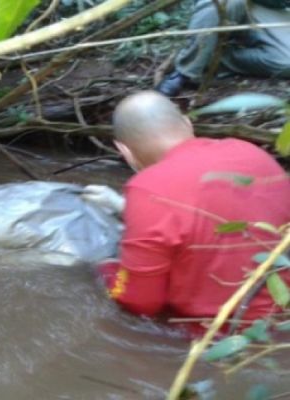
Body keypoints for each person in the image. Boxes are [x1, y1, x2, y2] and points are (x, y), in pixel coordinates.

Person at [82, 91, 290, 326]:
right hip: (281, 317)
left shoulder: (149, 188)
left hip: (218, 334)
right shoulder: (252, 152)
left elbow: (141, 303)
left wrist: (103, 270)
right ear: (188, 123)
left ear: (124, 151)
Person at [156, 0, 290, 97]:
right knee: (224, 4)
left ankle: (214, 58)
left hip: (269, 9)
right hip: (224, 3)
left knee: (286, 62)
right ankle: (185, 71)